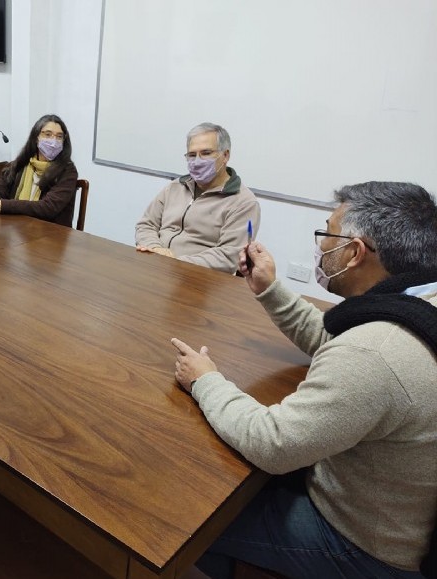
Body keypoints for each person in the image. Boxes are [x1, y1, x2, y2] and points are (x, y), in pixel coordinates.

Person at [171, 181, 437, 578]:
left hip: (363, 546)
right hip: (400, 515)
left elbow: (272, 443)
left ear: (355, 252)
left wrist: (205, 380)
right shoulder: (418, 302)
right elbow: (337, 341)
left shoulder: (375, 351)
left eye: (328, 232)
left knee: (189, 515)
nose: (321, 245)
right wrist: (269, 289)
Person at [135, 122, 260, 274]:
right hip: (156, 267)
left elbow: (228, 256)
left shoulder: (244, 202)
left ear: (225, 155)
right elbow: (146, 224)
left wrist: (174, 262)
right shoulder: (175, 187)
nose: (197, 161)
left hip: (199, 279)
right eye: (192, 155)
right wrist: (155, 249)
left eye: (206, 153)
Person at [0, 114, 79, 227]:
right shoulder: (23, 163)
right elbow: (1, 186)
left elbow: (48, 208)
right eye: (48, 134)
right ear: (36, 138)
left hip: (51, 234)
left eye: (59, 136)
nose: (53, 141)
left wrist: (3, 205)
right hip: (18, 229)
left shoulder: (68, 171)